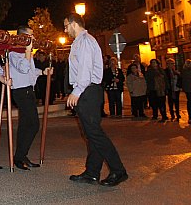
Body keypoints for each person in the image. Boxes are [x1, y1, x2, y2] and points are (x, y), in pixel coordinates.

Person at [64, 13, 127, 187]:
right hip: (88, 90)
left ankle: (118, 170)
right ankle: (92, 172)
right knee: (91, 134)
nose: (65, 29)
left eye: (66, 25)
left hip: (88, 91)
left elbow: (85, 69)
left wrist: (76, 91)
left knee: (95, 134)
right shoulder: (81, 41)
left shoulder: (84, 41)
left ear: (74, 24)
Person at [8, 27, 53, 170]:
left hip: (28, 89)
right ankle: (20, 155)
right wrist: (28, 51)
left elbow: (30, 71)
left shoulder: (26, 52)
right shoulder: (14, 52)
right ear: (23, 37)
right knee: (33, 124)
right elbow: (23, 68)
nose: (33, 38)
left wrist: (43, 72)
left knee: (25, 125)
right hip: (21, 91)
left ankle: (21, 156)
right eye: (30, 36)